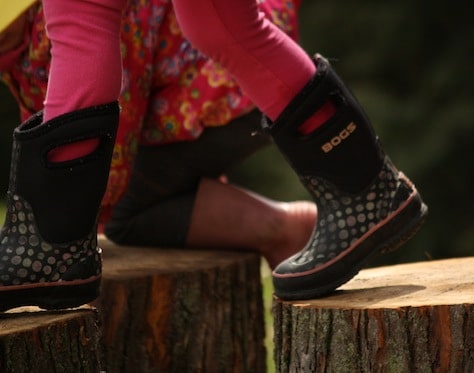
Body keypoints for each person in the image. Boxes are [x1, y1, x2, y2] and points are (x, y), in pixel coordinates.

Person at [0, 0, 427, 309]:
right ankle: (367, 190)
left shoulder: (34, 42)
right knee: (218, 21)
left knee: (82, 17)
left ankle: (52, 248)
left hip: (223, 95)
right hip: (227, 86)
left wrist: (62, 225)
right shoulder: (21, 40)